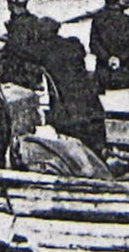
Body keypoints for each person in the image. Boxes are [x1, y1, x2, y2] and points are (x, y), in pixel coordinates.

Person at [23, 17, 106, 156]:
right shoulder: (73, 44)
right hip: (92, 105)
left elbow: (22, 52)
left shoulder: (43, 51)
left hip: (68, 112)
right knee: (96, 150)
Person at [89, 0, 129, 91]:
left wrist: (107, 58)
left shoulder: (98, 20)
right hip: (126, 74)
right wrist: (120, 58)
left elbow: (94, 44)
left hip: (103, 76)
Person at [0, 0, 41, 89]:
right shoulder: (33, 20)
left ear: (13, 6)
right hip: (34, 68)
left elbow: (15, 47)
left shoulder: (18, 24)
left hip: (20, 71)